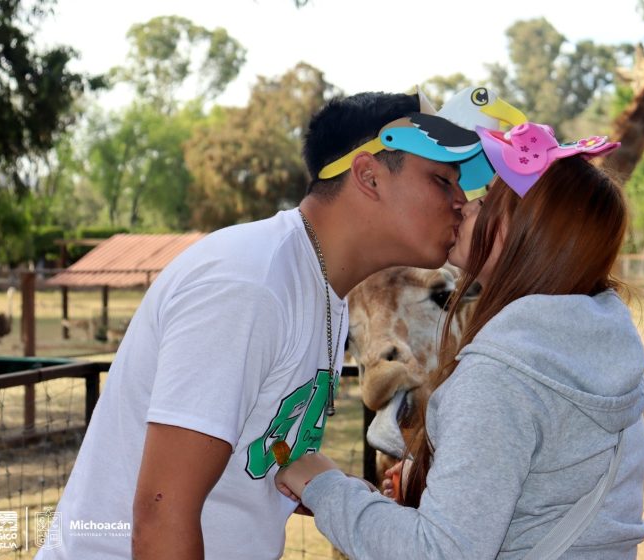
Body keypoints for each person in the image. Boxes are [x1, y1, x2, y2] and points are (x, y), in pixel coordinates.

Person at [35, 90, 494, 559]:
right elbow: (161, 511)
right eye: (442, 179)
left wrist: (350, 496)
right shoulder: (250, 285)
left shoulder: (312, 284)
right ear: (369, 176)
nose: (461, 201)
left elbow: (259, 458)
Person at [276, 122, 644, 559]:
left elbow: (438, 553)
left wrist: (322, 485)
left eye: (488, 200)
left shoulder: (502, 376)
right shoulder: (599, 356)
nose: (465, 207)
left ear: (530, 235)